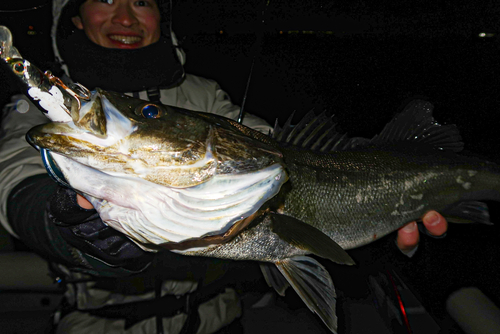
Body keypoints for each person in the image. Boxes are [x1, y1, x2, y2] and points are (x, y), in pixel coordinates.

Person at [0, 0, 448, 332]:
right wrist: (71, 225)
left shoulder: (205, 97)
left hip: (218, 322)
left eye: (142, 2)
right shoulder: (39, 110)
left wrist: (377, 208)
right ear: (74, 17)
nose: (125, 18)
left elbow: (273, 150)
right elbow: (18, 193)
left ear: (162, 17)